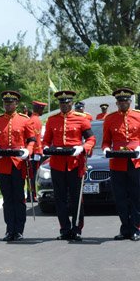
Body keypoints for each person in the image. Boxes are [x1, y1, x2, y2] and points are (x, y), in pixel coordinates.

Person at [42, 90, 96, 241]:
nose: (64, 105)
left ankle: (77, 228)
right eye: (61, 103)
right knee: (59, 199)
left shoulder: (81, 119)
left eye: (67, 103)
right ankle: (64, 229)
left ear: (71, 103)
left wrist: (82, 148)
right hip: (57, 164)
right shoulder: (52, 120)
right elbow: (46, 140)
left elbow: (91, 139)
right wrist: (45, 148)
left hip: (74, 164)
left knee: (76, 198)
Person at [0, 91, 36, 241]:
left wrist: (27, 151)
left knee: (19, 197)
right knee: (7, 199)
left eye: (11, 102)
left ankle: (19, 230)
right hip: (3, 164)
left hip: (18, 164)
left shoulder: (24, 120)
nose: (8, 105)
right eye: (5, 102)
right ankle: (9, 229)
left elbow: (32, 140)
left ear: (16, 104)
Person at [101, 88, 140, 241]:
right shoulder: (110, 118)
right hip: (117, 162)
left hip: (135, 161)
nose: (123, 103)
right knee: (120, 197)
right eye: (120, 101)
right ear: (116, 103)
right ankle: (125, 228)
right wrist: (105, 149)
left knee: (136, 196)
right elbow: (105, 140)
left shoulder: (138, 116)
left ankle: (136, 228)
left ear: (130, 102)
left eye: (126, 101)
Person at [27, 100, 46, 202]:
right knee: (32, 174)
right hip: (34, 152)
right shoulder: (34, 120)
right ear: (38, 109)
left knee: (32, 174)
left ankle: (31, 194)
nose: (43, 110)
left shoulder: (35, 119)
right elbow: (33, 138)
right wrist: (37, 151)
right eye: (42, 109)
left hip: (36, 151)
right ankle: (31, 194)